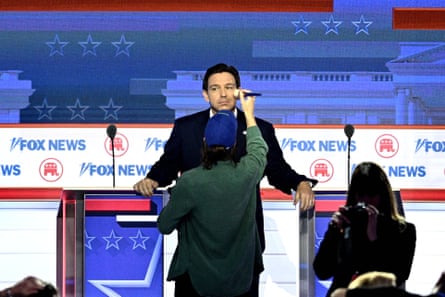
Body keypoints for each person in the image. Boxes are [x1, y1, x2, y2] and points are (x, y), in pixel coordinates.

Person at [134, 62, 317, 296]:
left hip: (244, 249)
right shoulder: (186, 127)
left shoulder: (259, 128)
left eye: (229, 87)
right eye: (215, 88)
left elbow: (277, 169)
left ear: (239, 91)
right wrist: (153, 179)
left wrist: (300, 183)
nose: (223, 94)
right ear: (204, 94)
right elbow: (169, 163)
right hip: (198, 248)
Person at [157, 92, 268, 296]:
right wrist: (250, 115)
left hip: (195, 285)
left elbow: (164, 225)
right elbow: (258, 148)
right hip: (240, 283)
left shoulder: (190, 181)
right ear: (234, 144)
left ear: (205, 142)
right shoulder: (248, 173)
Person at [313, 161, 416, 297]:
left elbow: (397, 278)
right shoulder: (346, 224)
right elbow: (322, 271)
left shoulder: (403, 231)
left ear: (382, 195)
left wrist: (374, 239)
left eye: (371, 194)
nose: (366, 201)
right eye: (360, 195)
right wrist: (333, 232)